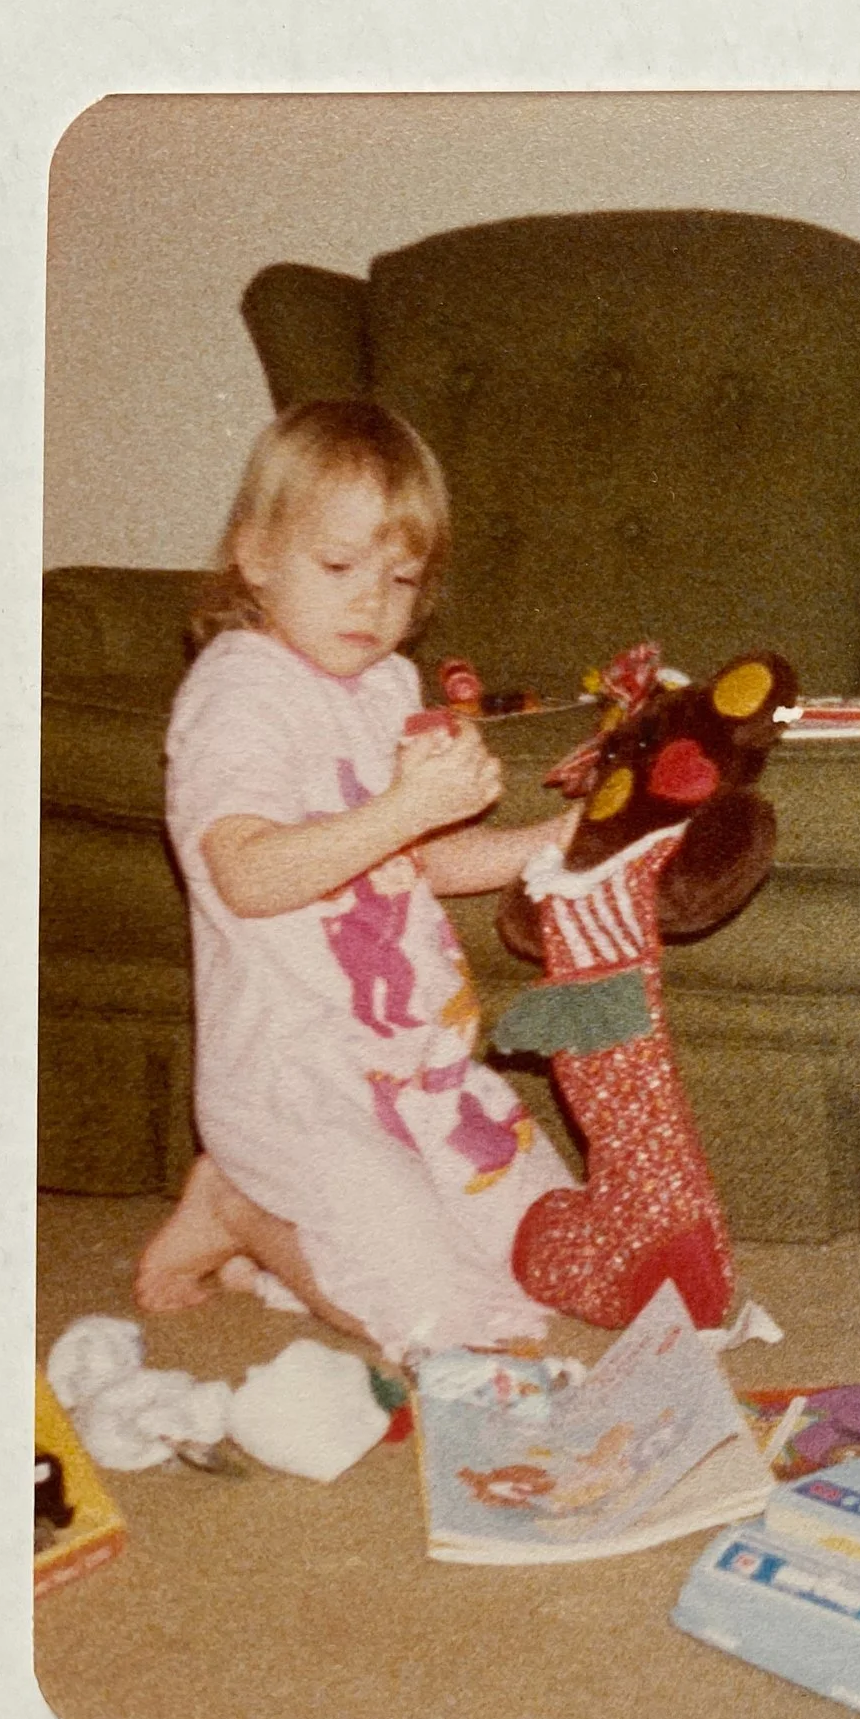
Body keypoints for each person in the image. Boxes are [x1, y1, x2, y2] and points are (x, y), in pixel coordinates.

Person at [132, 400, 577, 1360]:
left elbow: (418, 863)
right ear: (255, 554)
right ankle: (239, 1207)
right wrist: (403, 809)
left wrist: (563, 839)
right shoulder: (238, 691)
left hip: (418, 1068)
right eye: (338, 568)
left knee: (547, 1262)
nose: (371, 605)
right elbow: (246, 873)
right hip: (294, 1079)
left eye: (402, 578)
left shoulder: (386, 687)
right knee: (429, 1317)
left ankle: (280, 1206)